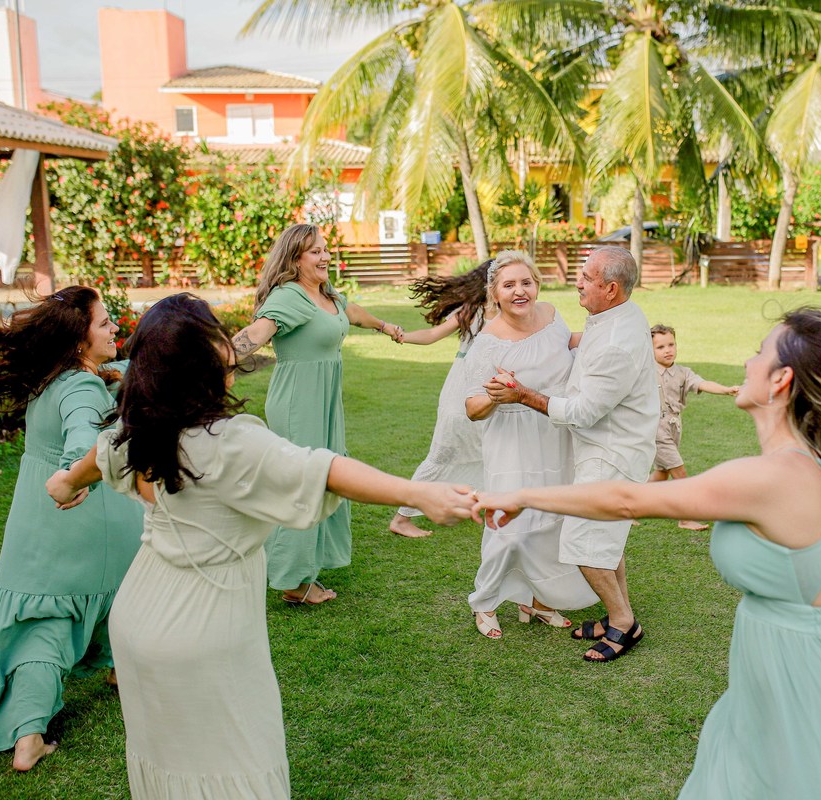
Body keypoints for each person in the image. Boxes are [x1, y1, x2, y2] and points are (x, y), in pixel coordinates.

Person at [479, 306, 821, 797]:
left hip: (810, 679)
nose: (747, 363)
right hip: (779, 673)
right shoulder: (798, 461)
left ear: (781, 381)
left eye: (759, 354)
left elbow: (628, 499)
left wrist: (521, 496)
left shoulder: (772, 476)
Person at [45, 293, 477, 800]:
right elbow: (326, 469)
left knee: (171, 762)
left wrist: (65, 483)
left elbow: (93, 461)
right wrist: (417, 492)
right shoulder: (227, 440)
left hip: (139, 618)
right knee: (236, 759)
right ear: (203, 362)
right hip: (204, 625)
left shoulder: (136, 427)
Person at [0, 287, 143, 771]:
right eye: (105, 323)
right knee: (114, 591)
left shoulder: (53, 379)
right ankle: (120, 671)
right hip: (86, 517)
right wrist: (72, 474)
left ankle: (29, 736)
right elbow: (84, 429)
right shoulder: (83, 389)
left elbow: (118, 380)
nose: (114, 329)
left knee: (44, 627)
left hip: (38, 526)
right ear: (77, 340)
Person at [484, 246, 658, 662]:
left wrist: (522, 394)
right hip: (608, 447)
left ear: (611, 288)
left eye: (586, 277)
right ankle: (621, 614)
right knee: (606, 541)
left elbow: (582, 412)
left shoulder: (618, 340)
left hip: (611, 454)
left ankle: (623, 624)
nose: (577, 281)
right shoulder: (617, 314)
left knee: (582, 543)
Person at [230, 223, 402, 605]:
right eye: (315, 252)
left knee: (326, 478)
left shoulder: (326, 295)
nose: (325, 256)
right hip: (298, 402)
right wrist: (216, 358)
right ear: (294, 259)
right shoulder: (289, 297)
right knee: (301, 484)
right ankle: (292, 580)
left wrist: (386, 326)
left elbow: (350, 312)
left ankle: (303, 562)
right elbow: (257, 333)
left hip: (324, 402)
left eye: (325, 249)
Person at [463, 251, 597, 638]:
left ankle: (537, 601)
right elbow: (472, 408)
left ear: (537, 284)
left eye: (526, 282)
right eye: (509, 285)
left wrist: (604, 337)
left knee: (553, 520)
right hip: (512, 440)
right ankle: (484, 602)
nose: (519, 291)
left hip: (555, 429)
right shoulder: (487, 344)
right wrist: (497, 397)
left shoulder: (553, 315)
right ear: (495, 294)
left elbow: (565, 345)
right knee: (511, 526)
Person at [387, 261, 493, 538]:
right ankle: (402, 518)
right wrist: (403, 337)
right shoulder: (472, 311)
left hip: (491, 389)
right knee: (443, 452)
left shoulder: (512, 312)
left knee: (492, 446)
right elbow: (433, 335)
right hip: (463, 389)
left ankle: (486, 503)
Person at [649, 323, 739, 531]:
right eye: (660, 347)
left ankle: (626, 511)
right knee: (680, 474)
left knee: (661, 475)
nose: (668, 350)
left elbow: (702, 384)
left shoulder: (683, 372)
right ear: (650, 349)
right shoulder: (646, 372)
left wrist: (726, 390)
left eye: (671, 344)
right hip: (656, 429)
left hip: (673, 426)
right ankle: (686, 518)